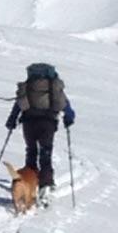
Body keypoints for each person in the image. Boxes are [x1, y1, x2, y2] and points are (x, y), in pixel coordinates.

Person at [5, 63, 75, 202]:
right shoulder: (54, 87)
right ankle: (46, 184)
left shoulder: (28, 86)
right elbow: (64, 105)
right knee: (46, 152)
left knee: (31, 150)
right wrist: (69, 118)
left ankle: (29, 182)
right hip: (48, 122)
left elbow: (18, 104)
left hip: (28, 122)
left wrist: (12, 120)